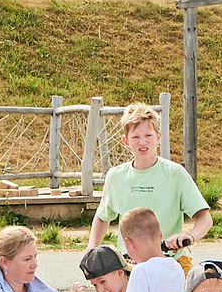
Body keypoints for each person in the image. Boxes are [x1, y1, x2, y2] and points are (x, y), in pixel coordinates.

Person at [86, 102, 210, 256]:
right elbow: (102, 216)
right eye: (136, 137)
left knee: (204, 278)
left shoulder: (176, 173)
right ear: (126, 141)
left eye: (148, 136)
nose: (142, 142)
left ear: (158, 137)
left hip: (171, 259)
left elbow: (204, 217)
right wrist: (91, 248)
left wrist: (190, 236)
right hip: (129, 264)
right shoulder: (115, 176)